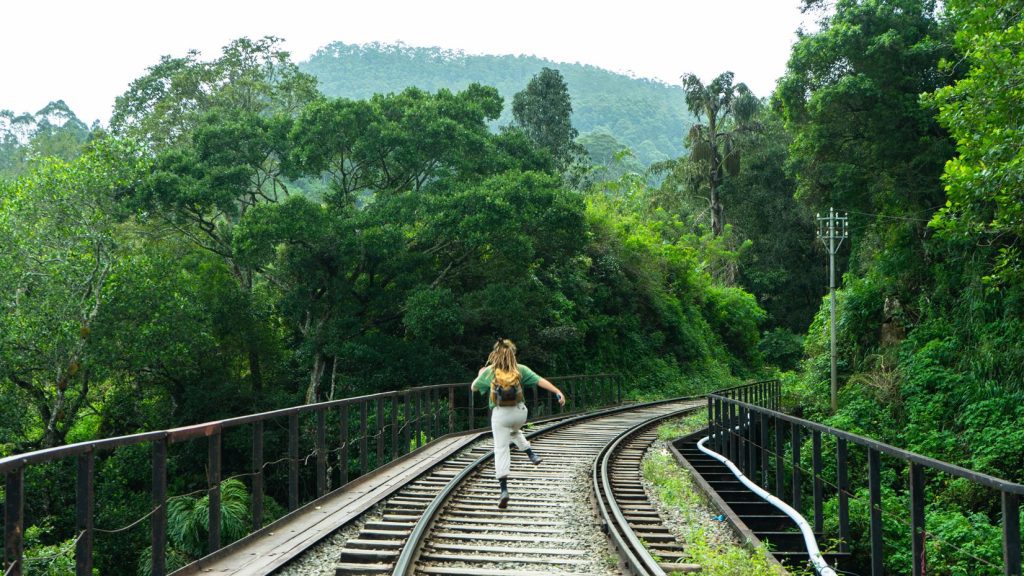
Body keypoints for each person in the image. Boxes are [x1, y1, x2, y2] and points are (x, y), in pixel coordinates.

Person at [471, 338, 566, 508]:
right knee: (513, 430)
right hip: (520, 414)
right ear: (513, 354)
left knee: (501, 448)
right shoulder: (520, 369)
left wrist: (480, 374)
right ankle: (531, 454)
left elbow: (474, 388)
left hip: (501, 415)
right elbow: (540, 380)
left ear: (495, 355)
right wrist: (557, 391)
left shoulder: (490, 372)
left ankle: (504, 490)